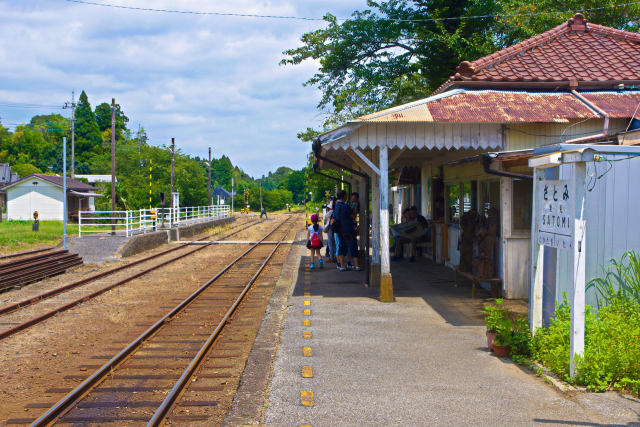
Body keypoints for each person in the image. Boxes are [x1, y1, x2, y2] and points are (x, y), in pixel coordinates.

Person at [331, 190, 354, 271]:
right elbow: (352, 216)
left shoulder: (336, 206)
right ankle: (348, 263)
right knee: (348, 246)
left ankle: (342, 266)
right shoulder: (345, 206)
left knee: (340, 246)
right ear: (344, 196)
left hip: (338, 229)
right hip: (346, 229)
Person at [347, 192, 361, 271]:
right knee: (349, 245)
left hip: (352, 228)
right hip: (349, 228)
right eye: (352, 198)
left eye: (355, 198)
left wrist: (355, 208)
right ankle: (350, 263)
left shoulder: (356, 205)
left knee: (352, 245)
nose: (353, 200)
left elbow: (355, 216)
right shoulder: (347, 205)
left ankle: (355, 265)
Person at [323, 196, 336, 263]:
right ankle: (335, 256)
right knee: (335, 243)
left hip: (330, 228)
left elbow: (325, 219)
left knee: (331, 243)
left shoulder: (330, 212)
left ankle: (332, 257)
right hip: (336, 228)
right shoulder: (335, 211)